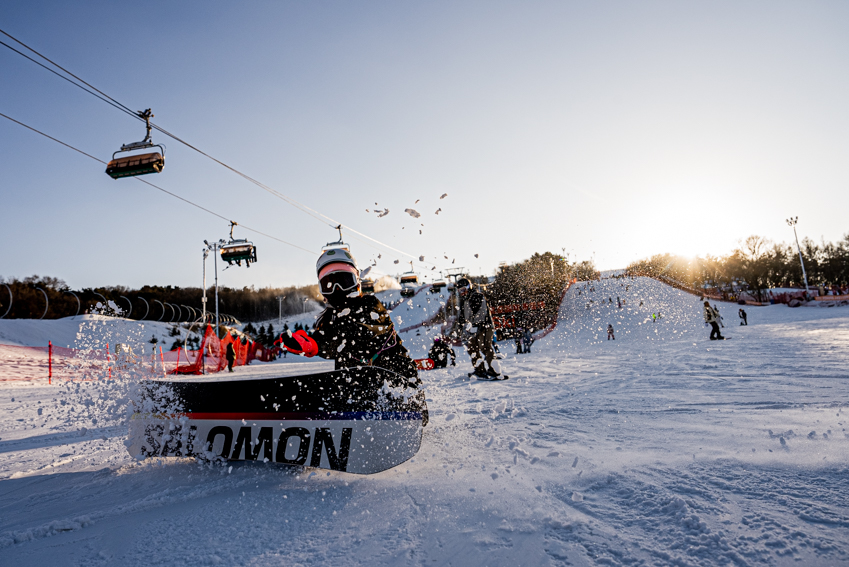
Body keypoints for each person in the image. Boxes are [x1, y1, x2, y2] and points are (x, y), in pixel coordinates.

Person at [275, 248, 419, 385]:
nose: (337, 289)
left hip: (401, 385)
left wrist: (317, 343)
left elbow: (358, 332)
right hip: (355, 393)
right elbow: (331, 339)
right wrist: (309, 342)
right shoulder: (332, 320)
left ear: (357, 282)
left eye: (344, 281)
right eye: (329, 284)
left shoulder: (371, 306)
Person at [455, 277, 500, 378]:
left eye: (463, 290)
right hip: (473, 328)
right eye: (459, 291)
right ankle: (479, 369)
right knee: (471, 348)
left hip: (485, 326)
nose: (461, 293)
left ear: (468, 287)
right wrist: (460, 329)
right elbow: (462, 318)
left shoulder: (477, 296)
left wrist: (475, 324)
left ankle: (494, 370)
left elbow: (481, 312)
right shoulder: (465, 301)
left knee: (484, 346)